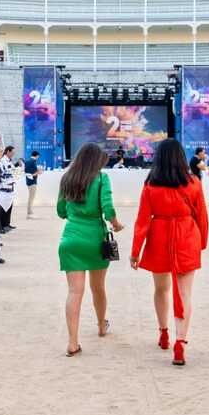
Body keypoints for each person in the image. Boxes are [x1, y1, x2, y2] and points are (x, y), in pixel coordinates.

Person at [130, 139, 208, 366]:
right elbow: (201, 215)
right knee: (185, 293)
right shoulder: (193, 182)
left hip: (159, 236)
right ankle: (180, 342)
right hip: (186, 236)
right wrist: (201, 242)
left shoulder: (150, 185)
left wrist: (136, 251)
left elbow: (142, 221)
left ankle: (164, 332)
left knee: (161, 289)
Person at [57, 143, 124, 357]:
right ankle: (102, 325)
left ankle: (72, 342)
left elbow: (60, 211)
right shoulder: (102, 178)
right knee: (98, 288)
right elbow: (107, 207)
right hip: (95, 238)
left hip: (70, 238)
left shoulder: (67, 178)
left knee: (74, 292)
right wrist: (116, 223)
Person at [0, 146, 16, 231]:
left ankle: (7, 224)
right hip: (5, 187)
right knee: (3, 207)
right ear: (8, 152)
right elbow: (2, 174)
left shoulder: (9, 161)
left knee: (9, 206)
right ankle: (1, 225)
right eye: (12, 152)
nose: (13, 154)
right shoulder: (2, 161)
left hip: (11, 186)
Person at [25, 150, 40, 218]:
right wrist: (38, 172)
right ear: (36, 156)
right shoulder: (33, 162)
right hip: (32, 182)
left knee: (30, 197)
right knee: (31, 197)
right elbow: (33, 173)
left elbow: (27, 172)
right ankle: (29, 211)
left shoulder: (27, 161)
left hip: (28, 181)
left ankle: (30, 211)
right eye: (38, 156)